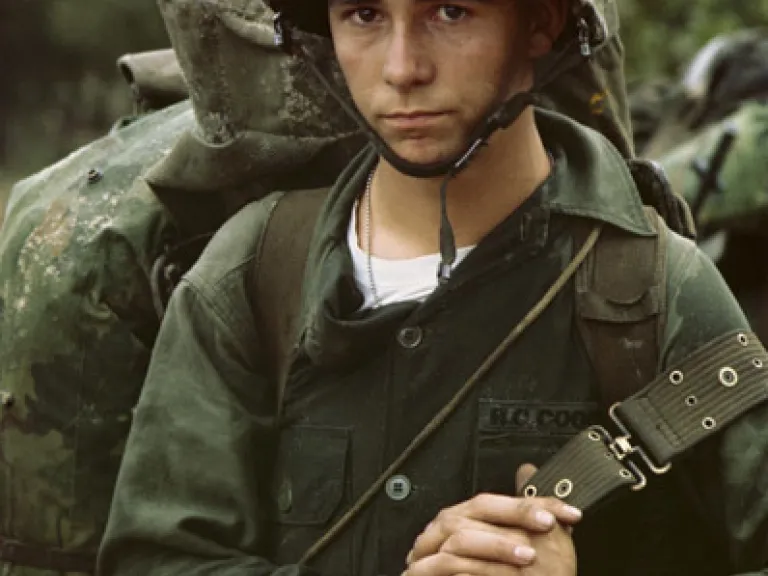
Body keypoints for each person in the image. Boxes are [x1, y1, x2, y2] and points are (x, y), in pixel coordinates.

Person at [97, 1, 768, 575]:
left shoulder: (651, 287)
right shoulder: (254, 272)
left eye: (450, 11)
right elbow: (159, 559)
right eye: (363, 14)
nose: (401, 68)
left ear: (541, 23)